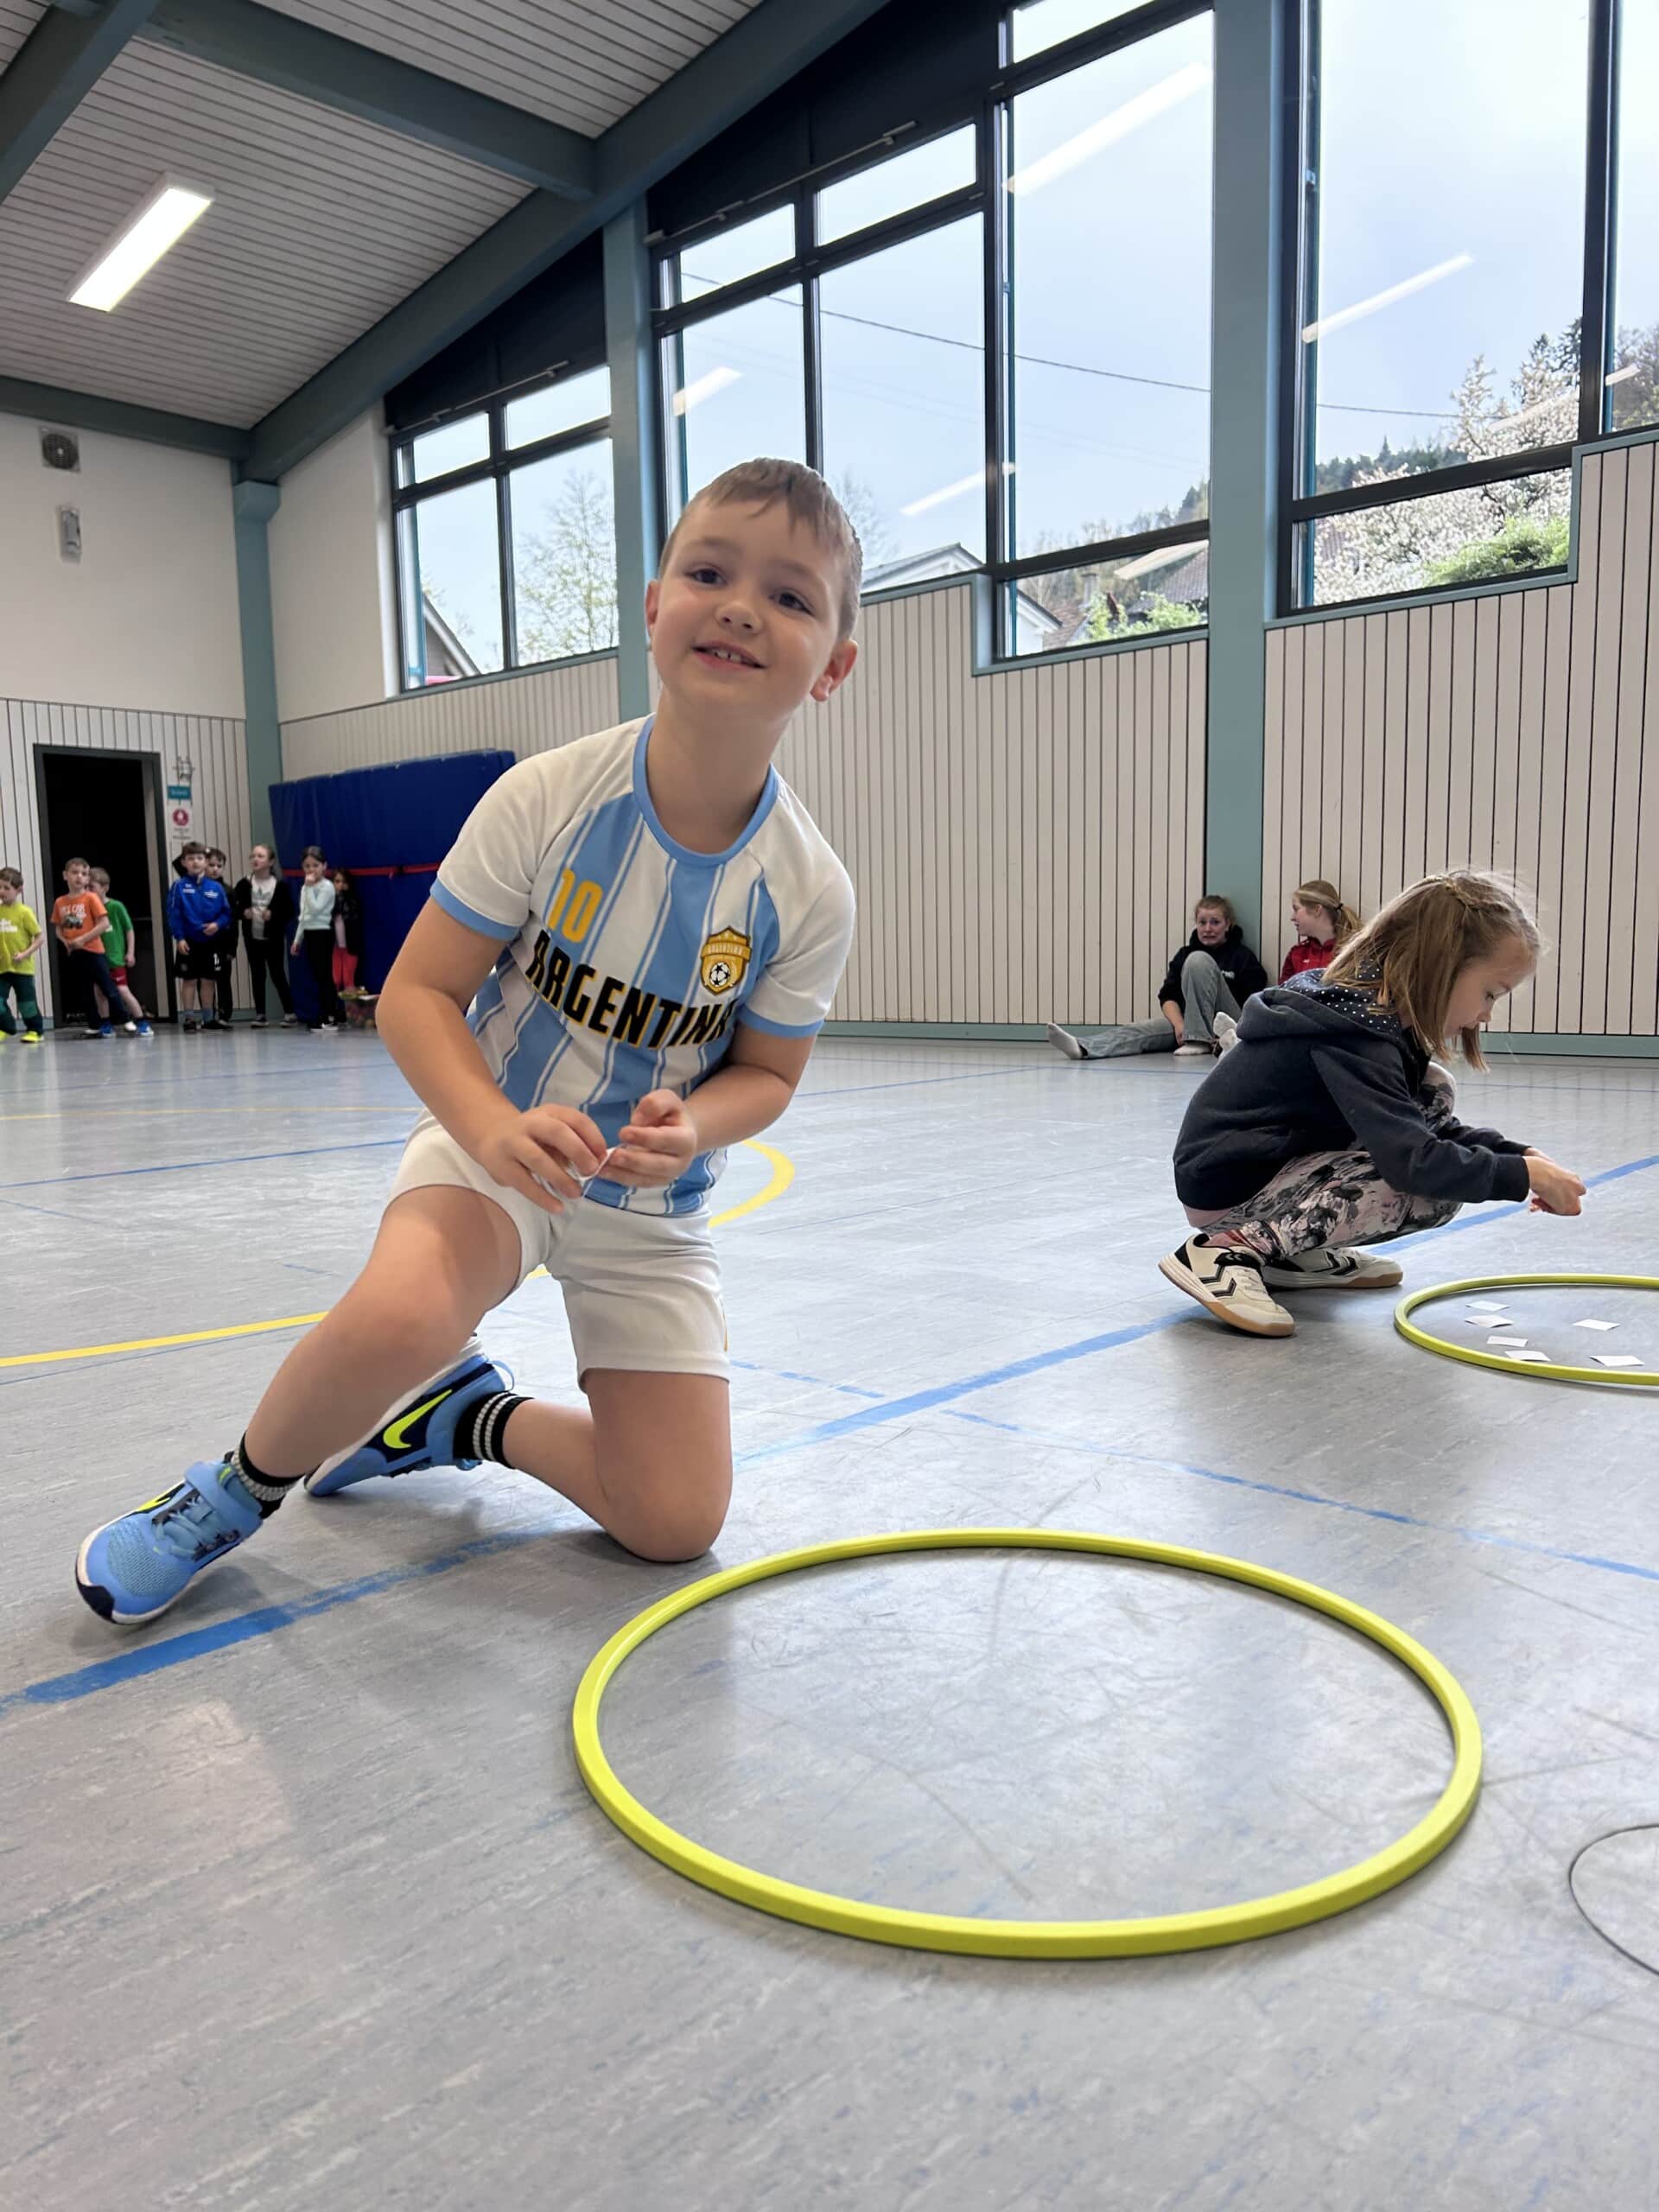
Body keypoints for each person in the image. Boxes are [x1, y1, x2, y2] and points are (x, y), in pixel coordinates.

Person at [75, 454, 862, 1628]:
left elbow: (771, 1075)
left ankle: (462, 1418)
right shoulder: (548, 798)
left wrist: (694, 1122)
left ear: (834, 666)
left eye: (792, 597)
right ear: (655, 607)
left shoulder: (810, 890)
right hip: (494, 1148)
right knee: (405, 1313)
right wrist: (492, 1128)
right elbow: (416, 996)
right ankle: (230, 1493)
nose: (743, 605)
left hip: (649, 1209)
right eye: (709, 571)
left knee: (675, 1520)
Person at [1158, 871, 1586, 1338]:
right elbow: (1411, 1160)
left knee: (1434, 1091)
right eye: (1489, 993)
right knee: (1426, 1185)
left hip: (1271, 1169)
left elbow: (1424, 1129)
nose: (1486, 1014)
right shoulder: (1357, 1032)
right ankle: (1224, 1251)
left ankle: (1289, 1253)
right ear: (1441, 967)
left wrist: (1518, 1157)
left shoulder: (1377, 1021)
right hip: (1227, 1190)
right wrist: (1522, 1177)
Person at [1047, 895, 1270, 1062]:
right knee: (1141, 1030)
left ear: (1228, 924)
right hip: (1188, 1023)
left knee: (1198, 960)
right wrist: (1180, 1024)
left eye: (1215, 922)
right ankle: (1084, 1048)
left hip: (1227, 1023)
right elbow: (1168, 995)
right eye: (1202, 922)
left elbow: (1252, 1000)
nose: (1208, 928)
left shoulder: (1241, 956)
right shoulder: (1184, 954)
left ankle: (1199, 1040)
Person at [50, 859, 150, 1038]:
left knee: (110, 988)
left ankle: (127, 1019)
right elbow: (60, 926)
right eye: (75, 873)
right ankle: (96, 1024)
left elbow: (104, 923)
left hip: (94, 950)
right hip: (75, 951)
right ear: (65, 876)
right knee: (87, 990)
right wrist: (66, 941)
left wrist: (83, 939)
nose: (79, 877)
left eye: (84, 874)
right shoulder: (61, 902)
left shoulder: (91, 898)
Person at [166, 841, 232, 1033]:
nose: (195, 862)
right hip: (189, 941)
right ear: (184, 862)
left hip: (212, 942)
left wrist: (217, 925)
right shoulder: (178, 886)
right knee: (190, 980)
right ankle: (188, 1018)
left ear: (205, 861)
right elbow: (174, 914)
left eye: (199, 858)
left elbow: (227, 913)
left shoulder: (217, 888)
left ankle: (208, 1019)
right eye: (191, 858)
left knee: (209, 980)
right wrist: (180, 938)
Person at [233, 843, 297, 1027]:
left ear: (271, 861)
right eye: (253, 856)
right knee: (257, 974)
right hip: (252, 938)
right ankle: (260, 1014)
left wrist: (273, 915)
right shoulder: (244, 884)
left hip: (273, 938)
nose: (255, 859)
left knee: (277, 974)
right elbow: (233, 909)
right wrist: (243, 912)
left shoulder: (280, 886)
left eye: (260, 856)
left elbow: (290, 912)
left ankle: (289, 1012)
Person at [87, 867, 153, 1034]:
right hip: (97, 958)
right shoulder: (88, 909)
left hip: (115, 957)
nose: (89, 891)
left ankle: (141, 1021)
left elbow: (129, 930)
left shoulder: (116, 907)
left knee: (122, 990)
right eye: (86, 888)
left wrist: (130, 952)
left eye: (92, 887)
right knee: (100, 993)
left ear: (104, 888)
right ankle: (106, 1024)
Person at [293, 854, 341, 1030]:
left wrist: (309, 888)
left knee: (324, 975)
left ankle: (330, 1015)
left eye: (315, 865)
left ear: (324, 866)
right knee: (315, 975)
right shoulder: (306, 888)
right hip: (310, 933)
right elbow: (304, 914)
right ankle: (320, 1013)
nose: (311, 870)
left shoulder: (327, 887)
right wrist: (298, 939)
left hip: (323, 933)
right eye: (307, 866)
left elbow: (315, 909)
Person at [1280, 877, 1360, 983]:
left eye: (1296, 909)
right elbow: (1281, 995)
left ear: (1317, 910)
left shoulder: (1354, 953)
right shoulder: (1297, 954)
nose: (1292, 917)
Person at [0, 867, 45, 1044]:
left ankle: (35, 1030)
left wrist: (25, 954)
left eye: (6, 888)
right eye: (0, 887)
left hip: (22, 968)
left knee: (27, 1003)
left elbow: (39, 937)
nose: (1, 892)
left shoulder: (24, 912)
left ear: (18, 890)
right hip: (3, 968)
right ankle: (6, 1026)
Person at [204, 849, 238, 1023]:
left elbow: (234, 921)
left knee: (223, 979)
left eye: (219, 865)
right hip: (202, 943)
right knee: (205, 980)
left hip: (223, 943)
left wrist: (233, 947)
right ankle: (208, 1015)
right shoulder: (197, 887)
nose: (215, 869)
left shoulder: (228, 891)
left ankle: (225, 1014)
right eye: (211, 865)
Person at [331, 867, 364, 997]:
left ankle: (349, 1013)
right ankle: (334, 1012)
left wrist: (341, 897)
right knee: (335, 979)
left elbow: (352, 917)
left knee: (348, 980)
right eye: (337, 881)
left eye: (344, 882)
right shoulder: (328, 900)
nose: (340, 885)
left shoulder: (352, 901)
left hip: (350, 946)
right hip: (335, 947)